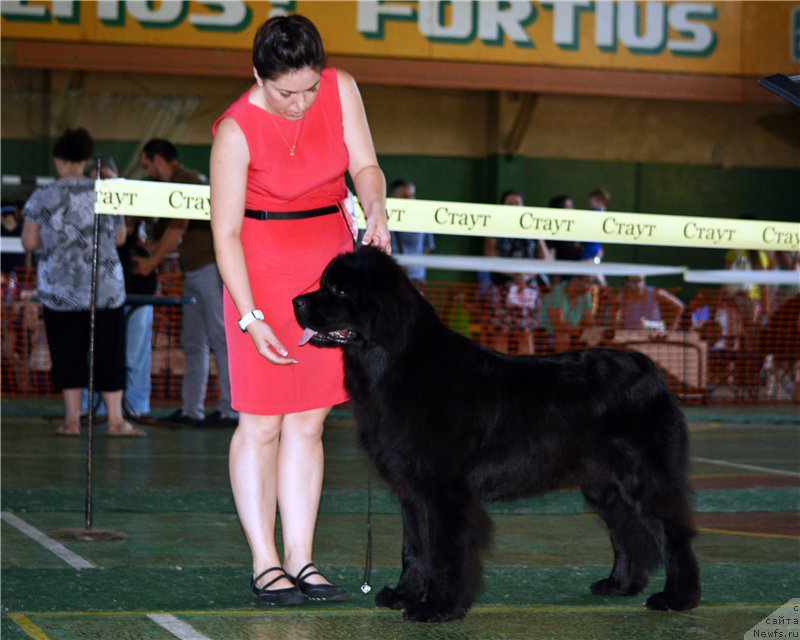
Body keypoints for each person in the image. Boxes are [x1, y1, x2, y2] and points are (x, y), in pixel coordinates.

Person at [209, 14, 390, 605]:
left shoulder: (341, 89)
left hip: (329, 275)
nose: (301, 101)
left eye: (310, 88)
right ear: (258, 75)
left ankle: (302, 559)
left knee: (310, 422)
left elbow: (364, 165)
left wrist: (376, 208)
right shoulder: (234, 131)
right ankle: (265, 560)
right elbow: (227, 235)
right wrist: (249, 316)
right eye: (287, 92)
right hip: (259, 275)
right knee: (261, 423)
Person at [20, 128, 144, 437]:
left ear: (57, 160)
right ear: (86, 159)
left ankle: (72, 421)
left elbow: (29, 242)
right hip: (104, 288)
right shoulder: (105, 192)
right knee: (109, 352)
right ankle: (116, 421)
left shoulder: (43, 196)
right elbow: (119, 237)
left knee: (67, 353)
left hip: (59, 291)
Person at [135, 138, 237, 428]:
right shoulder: (173, 186)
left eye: (147, 165)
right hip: (192, 270)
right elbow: (171, 233)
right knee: (193, 343)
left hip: (209, 268)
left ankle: (232, 409)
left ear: (158, 160)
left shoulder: (189, 182)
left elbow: (178, 227)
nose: (147, 171)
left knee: (220, 339)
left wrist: (151, 262)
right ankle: (191, 409)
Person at [484, 190, 548, 355]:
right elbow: (490, 257)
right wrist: (515, 275)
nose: (513, 207)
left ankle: (527, 376)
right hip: (501, 288)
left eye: (517, 203)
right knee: (501, 333)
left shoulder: (533, 228)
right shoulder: (494, 228)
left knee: (525, 334)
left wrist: (525, 277)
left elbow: (545, 258)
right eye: (509, 203)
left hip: (528, 289)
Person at [388, 179, 434, 286]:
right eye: (405, 197)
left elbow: (426, 247)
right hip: (389, 280)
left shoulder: (422, 219)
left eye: (412, 196)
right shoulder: (381, 219)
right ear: (393, 198)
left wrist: (419, 273)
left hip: (416, 281)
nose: (410, 200)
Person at [538, 275, 595, 353]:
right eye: (587, 282)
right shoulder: (557, 292)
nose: (589, 286)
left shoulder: (586, 295)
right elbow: (558, 327)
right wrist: (579, 330)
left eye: (590, 283)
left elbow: (589, 323)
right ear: (575, 280)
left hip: (573, 333)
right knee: (563, 337)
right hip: (547, 334)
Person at [613, 275, 685, 331]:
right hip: (630, 335)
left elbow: (680, 306)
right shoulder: (622, 296)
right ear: (626, 283)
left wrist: (672, 329)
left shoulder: (657, 293)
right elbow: (616, 315)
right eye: (634, 281)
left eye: (640, 281)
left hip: (654, 334)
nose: (638, 285)